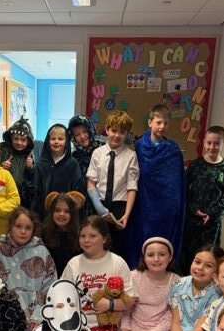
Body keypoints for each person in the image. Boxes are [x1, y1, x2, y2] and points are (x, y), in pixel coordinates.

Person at [62, 216, 137, 331]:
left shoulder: (117, 262)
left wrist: (110, 304)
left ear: (104, 238)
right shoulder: (73, 263)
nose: (86, 240)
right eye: (83, 236)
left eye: (92, 236)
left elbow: (131, 299)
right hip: (76, 323)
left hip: (104, 324)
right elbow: (62, 293)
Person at [125, 104, 185, 268]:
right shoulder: (139, 147)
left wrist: (175, 206)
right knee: (142, 240)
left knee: (162, 242)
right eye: (158, 122)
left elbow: (177, 181)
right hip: (144, 205)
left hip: (166, 208)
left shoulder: (173, 149)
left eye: (166, 123)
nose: (162, 126)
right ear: (150, 122)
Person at [114, 237, 179, 331]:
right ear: (144, 258)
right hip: (134, 325)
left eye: (162, 254)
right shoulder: (133, 276)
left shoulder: (177, 282)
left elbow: (171, 317)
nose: (156, 259)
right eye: (150, 255)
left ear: (170, 257)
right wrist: (125, 328)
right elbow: (126, 307)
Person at [0, 207, 57, 329]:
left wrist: (38, 315)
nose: (23, 231)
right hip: (4, 320)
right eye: (18, 226)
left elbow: (50, 285)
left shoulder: (42, 251)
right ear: (10, 227)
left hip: (37, 320)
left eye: (28, 228)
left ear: (34, 229)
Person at [180, 126, 224, 274]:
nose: (212, 147)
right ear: (204, 142)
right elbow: (185, 189)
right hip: (193, 220)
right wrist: (193, 209)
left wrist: (212, 212)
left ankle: (207, 284)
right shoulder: (195, 165)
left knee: (210, 255)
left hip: (213, 222)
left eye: (217, 143)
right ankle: (186, 281)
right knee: (189, 255)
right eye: (209, 143)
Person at [86, 110, 139, 256]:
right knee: (96, 245)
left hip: (119, 208)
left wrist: (126, 214)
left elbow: (132, 187)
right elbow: (91, 183)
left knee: (116, 248)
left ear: (127, 134)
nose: (117, 135)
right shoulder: (97, 153)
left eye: (122, 132)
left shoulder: (131, 156)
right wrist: (100, 208)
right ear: (107, 130)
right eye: (114, 131)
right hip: (99, 204)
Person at [32, 124, 85, 220]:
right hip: (45, 217)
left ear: (66, 141)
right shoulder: (41, 164)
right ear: (48, 141)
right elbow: (36, 194)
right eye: (53, 139)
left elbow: (77, 191)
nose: (56, 142)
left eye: (60, 139)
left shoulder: (73, 164)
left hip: (66, 216)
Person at [41, 192, 82, 276]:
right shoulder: (43, 233)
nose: (61, 214)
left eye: (67, 211)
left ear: (72, 214)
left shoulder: (79, 234)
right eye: (57, 210)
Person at [0, 116, 35, 209]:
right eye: (16, 139)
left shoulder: (29, 154)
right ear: (11, 138)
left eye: (23, 140)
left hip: (23, 197)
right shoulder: (3, 151)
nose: (19, 142)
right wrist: (0, 167)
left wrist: (30, 167)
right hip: (4, 195)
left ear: (28, 142)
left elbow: (33, 178)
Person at [67, 114, 103, 180]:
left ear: (90, 130)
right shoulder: (74, 157)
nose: (82, 136)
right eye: (77, 135)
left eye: (85, 131)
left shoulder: (103, 148)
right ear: (73, 138)